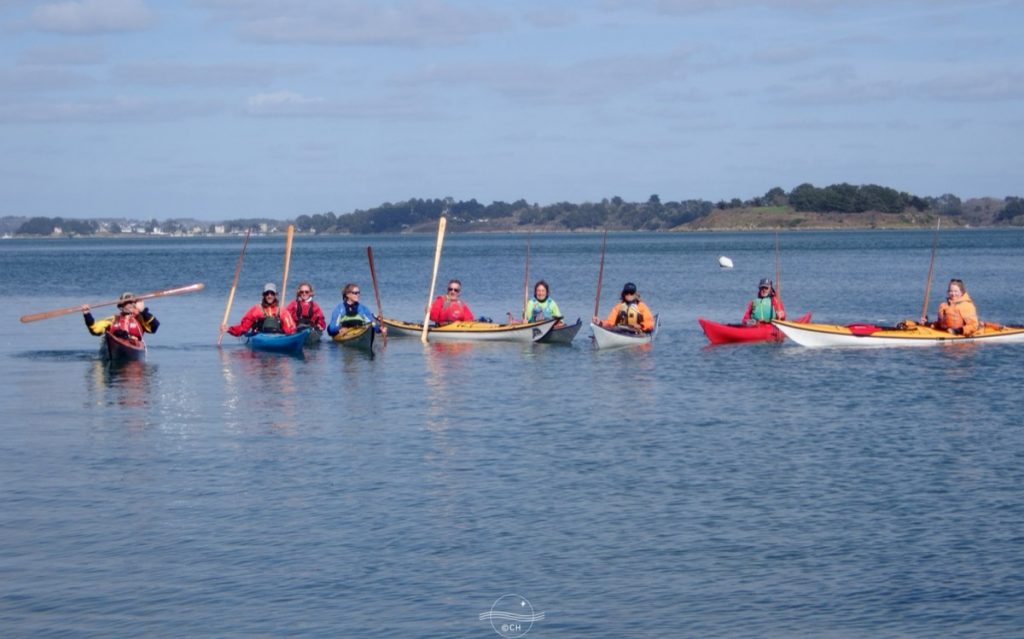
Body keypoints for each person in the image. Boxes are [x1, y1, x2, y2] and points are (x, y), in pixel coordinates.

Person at [222, 282, 297, 337]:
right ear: (263, 295)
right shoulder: (256, 310)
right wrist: (229, 329)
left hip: (277, 337)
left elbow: (290, 329)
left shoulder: (282, 311)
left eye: (272, 293)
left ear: (275, 295)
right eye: (267, 293)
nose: (269, 296)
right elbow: (244, 327)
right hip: (261, 337)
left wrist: (295, 335)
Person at [82, 292, 160, 341]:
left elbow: (155, 326)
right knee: (118, 333)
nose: (129, 305)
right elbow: (95, 329)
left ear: (135, 304)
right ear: (121, 305)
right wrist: (87, 314)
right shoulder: (113, 319)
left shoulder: (140, 319)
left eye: (131, 302)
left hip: (134, 345)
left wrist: (143, 311)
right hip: (117, 343)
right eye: (126, 303)